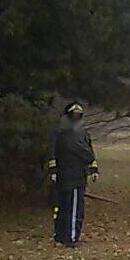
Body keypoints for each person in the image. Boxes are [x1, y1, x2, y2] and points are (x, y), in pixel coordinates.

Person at [47, 102, 98, 247]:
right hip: (70, 177)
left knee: (67, 208)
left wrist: (93, 169)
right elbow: (87, 154)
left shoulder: (80, 135)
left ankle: (63, 236)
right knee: (70, 209)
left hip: (72, 177)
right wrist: (53, 170)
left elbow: (90, 154)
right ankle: (70, 238)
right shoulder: (65, 136)